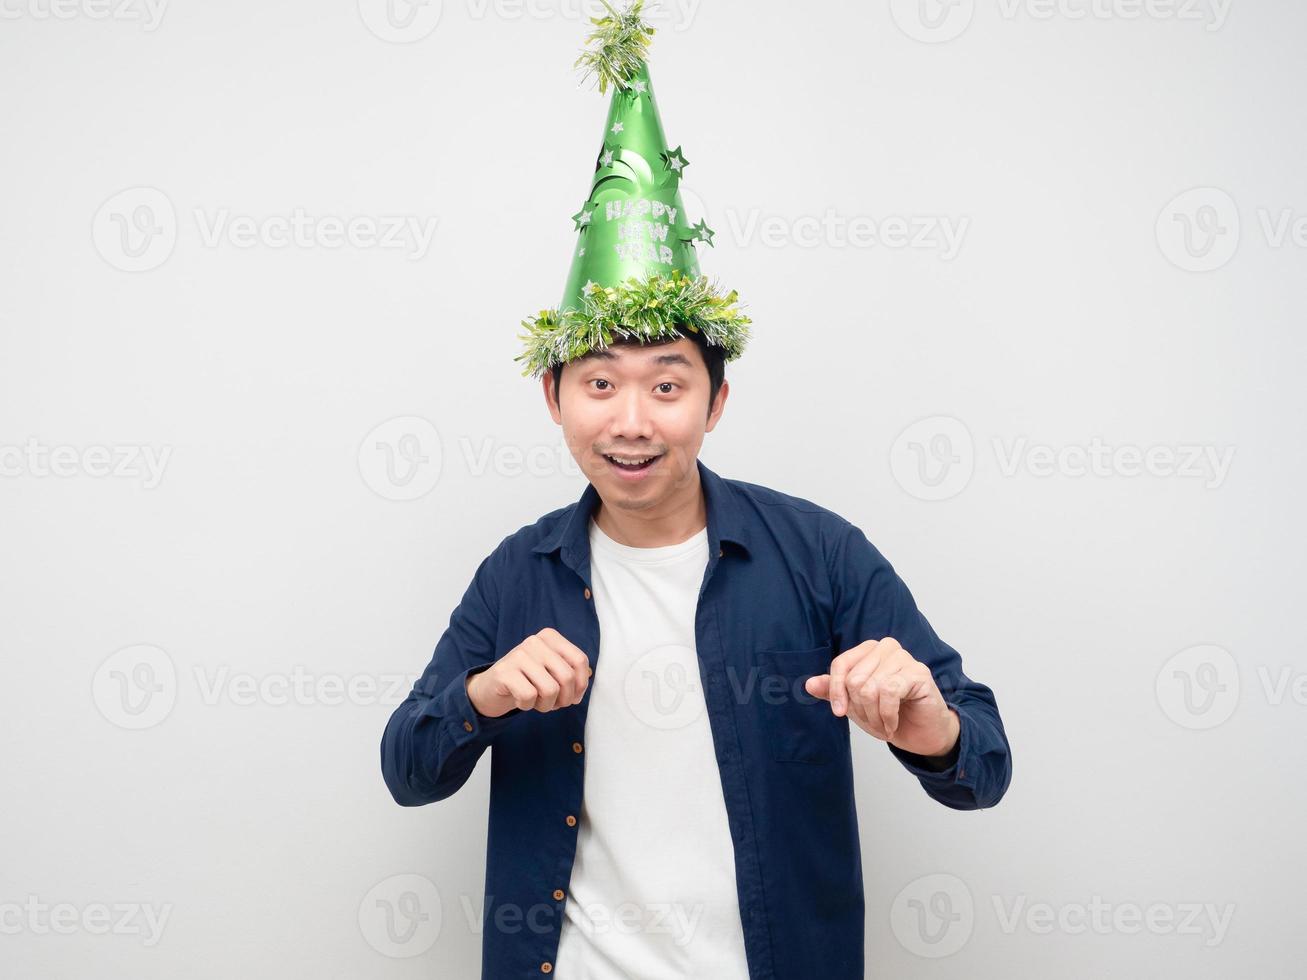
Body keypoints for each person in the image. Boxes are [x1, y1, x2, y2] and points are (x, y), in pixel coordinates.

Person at [380, 4, 1012, 977]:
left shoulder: (818, 554)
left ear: (714, 401)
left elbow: (983, 765)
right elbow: (407, 768)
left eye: (666, 383)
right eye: (598, 382)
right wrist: (485, 692)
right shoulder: (518, 574)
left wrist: (923, 720)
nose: (630, 419)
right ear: (552, 396)